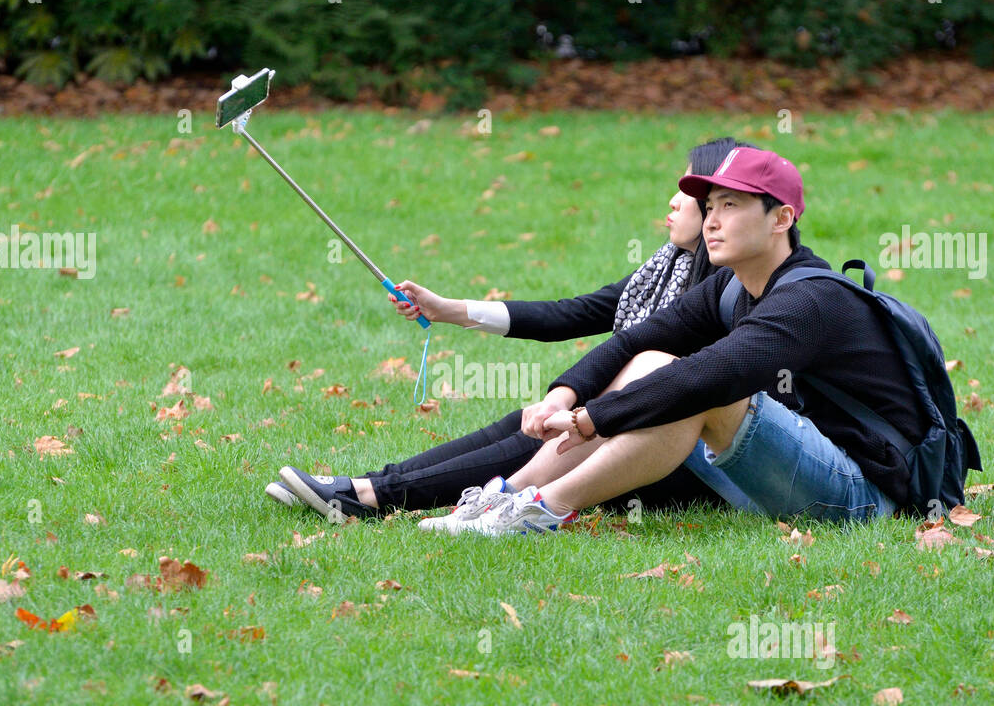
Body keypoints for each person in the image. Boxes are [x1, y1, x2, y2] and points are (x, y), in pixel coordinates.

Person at [433, 146, 928, 535]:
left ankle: (546, 510)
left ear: (781, 219)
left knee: (699, 389)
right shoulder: (732, 284)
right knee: (652, 358)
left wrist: (592, 418)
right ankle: (507, 496)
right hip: (780, 474)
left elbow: (712, 376)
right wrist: (563, 394)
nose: (711, 220)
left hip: (860, 495)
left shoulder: (810, 301)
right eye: (709, 206)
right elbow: (633, 341)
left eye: (731, 206)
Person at [273, 137, 762, 527]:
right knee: (522, 423)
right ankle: (367, 486)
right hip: (626, 434)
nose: (673, 203)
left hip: (667, 464)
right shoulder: (667, 268)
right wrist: (451, 310)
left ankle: (370, 497)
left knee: (545, 435)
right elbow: (570, 314)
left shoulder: (726, 289)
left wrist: (571, 409)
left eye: (693, 196)